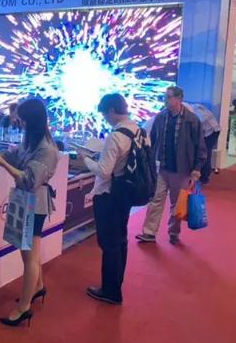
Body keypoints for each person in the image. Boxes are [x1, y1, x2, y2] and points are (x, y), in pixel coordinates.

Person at [0, 99, 59, 327]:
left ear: (31, 121)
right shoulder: (31, 139)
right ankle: (37, 287)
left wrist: (2, 164)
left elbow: (28, 180)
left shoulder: (47, 149)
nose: (19, 122)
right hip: (25, 201)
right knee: (28, 252)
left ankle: (24, 307)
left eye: (23, 119)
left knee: (29, 256)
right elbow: (15, 155)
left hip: (34, 203)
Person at [80, 94, 142, 305]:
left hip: (109, 195)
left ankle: (110, 291)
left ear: (112, 111)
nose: (105, 119)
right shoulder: (138, 130)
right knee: (120, 240)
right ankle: (116, 284)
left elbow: (104, 171)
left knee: (109, 244)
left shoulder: (116, 136)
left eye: (105, 115)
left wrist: (86, 159)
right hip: (126, 193)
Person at [136, 86, 206, 245]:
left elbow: (200, 146)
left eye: (168, 97)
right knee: (156, 199)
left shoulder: (192, 120)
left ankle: (173, 232)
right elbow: (154, 139)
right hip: (162, 168)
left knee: (177, 203)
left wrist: (197, 168)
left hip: (182, 169)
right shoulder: (160, 117)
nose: (165, 99)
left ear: (179, 98)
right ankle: (149, 232)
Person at [188, 103, 221, 184]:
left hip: (212, 132)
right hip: (206, 130)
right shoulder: (192, 109)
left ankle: (204, 178)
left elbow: (198, 130)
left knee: (205, 152)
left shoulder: (197, 114)